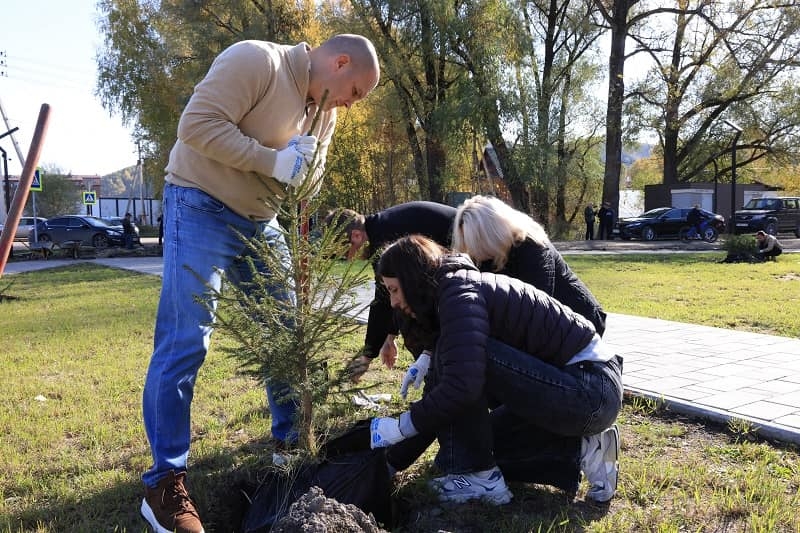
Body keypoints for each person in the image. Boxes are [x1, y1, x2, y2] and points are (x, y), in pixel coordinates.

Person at [140, 35, 380, 533]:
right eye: (355, 91)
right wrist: (273, 159)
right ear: (339, 62)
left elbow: (305, 183)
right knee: (186, 340)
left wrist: (304, 169)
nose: (350, 104)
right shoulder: (257, 61)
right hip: (199, 201)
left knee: (287, 335)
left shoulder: (323, 113)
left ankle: (288, 452)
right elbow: (195, 126)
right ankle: (164, 485)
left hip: (261, 221)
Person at [368, 235, 622, 505]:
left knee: (462, 373)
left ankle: (480, 478)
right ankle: (583, 448)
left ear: (412, 279)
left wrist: (401, 426)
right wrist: (392, 461)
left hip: (590, 390)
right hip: (583, 391)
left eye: (395, 290)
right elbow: (447, 395)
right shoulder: (453, 290)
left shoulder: (458, 293)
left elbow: (461, 384)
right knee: (478, 446)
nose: (394, 302)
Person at [324, 201, 457, 380]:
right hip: (458, 246)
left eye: (346, 253)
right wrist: (390, 337)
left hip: (473, 243)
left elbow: (384, 299)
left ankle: (436, 379)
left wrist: (367, 356)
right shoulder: (380, 227)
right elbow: (392, 292)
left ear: (356, 236)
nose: (349, 259)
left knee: (411, 318)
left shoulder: (384, 238)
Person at [452, 195, 606, 335]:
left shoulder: (533, 248)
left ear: (493, 234)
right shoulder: (491, 253)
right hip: (545, 325)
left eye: (478, 243)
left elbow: (536, 311)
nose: (475, 251)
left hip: (581, 321)